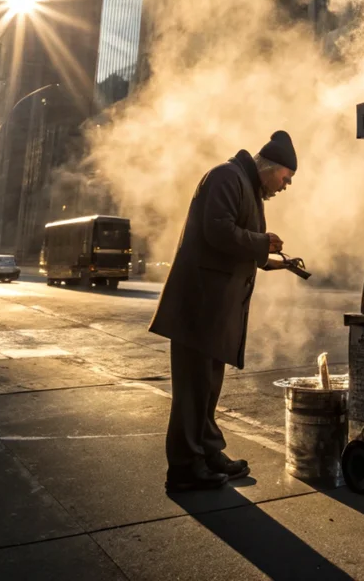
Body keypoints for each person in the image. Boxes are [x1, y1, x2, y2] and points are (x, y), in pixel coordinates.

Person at [149, 130, 297, 493]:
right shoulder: (226, 176)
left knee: (207, 387)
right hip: (199, 307)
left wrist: (279, 261)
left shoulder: (245, 185)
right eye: (286, 178)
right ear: (272, 168)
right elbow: (218, 232)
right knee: (193, 390)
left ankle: (208, 452)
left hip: (213, 312)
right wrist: (262, 242)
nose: (286, 186)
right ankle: (185, 467)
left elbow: (240, 245)